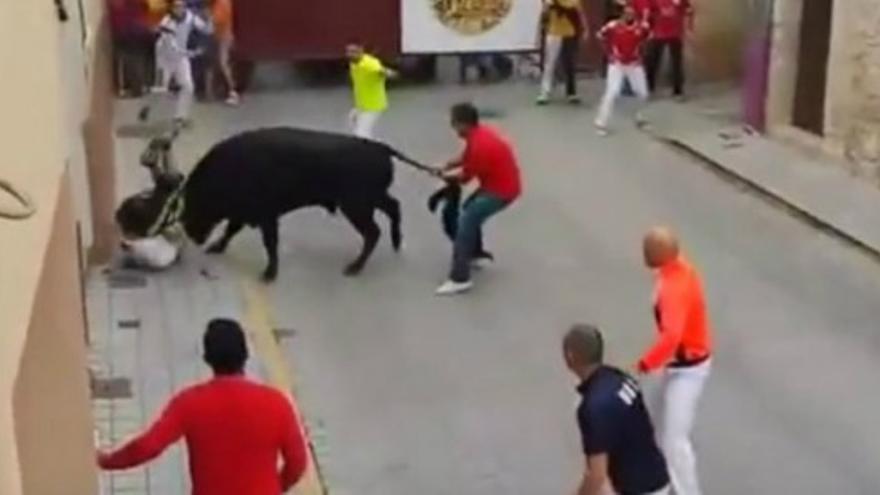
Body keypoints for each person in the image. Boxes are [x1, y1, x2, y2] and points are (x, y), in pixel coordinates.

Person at [97, 319, 310, 495]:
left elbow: (149, 446)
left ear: (207, 358)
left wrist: (107, 461)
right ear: (245, 355)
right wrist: (275, 488)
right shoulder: (276, 403)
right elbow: (298, 462)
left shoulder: (190, 403)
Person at [636, 227, 712, 495]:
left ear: (660, 254)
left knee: (674, 439)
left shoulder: (673, 288)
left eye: (647, 248)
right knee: (657, 429)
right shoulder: (679, 270)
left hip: (688, 369)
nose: (642, 252)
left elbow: (671, 337)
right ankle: (661, 486)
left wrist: (644, 364)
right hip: (679, 364)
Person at [563, 324, 670, 495]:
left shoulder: (593, 408)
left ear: (570, 356)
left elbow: (597, 476)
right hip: (656, 475)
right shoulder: (617, 377)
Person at [435, 103, 522, 296]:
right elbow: (465, 157)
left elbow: (465, 177)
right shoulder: (479, 135)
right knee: (469, 210)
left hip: (501, 191)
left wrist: (446, 176)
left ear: (464, 124)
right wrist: (448, 165)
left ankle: (459, 278)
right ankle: (473, 252)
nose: (452, 127)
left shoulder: (481, 146)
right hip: (499, 185)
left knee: (465, 222)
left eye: (454, 123)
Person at [141, 0, 213, 128]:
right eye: (176, 7)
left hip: (180, 59)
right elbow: (172, 48)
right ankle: (148, 106)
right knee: (161, 89)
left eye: (181, 6)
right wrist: (192, 53)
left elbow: (206, 29)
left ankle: (180, 117)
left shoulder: (190, 17)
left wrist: (209, 20)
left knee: (188, 86)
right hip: (164, 60)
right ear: (171, 9)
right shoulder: (166, 23)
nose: (179, 9)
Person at [594, 4, 650, 136]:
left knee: (642, 93)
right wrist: (609, 53)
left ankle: (639, 117)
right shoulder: (612, 26)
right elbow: (599, 36)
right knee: (612, 92)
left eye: (632, 14)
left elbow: (647, 40)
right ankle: (601, 123)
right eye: (627, 13)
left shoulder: (642, 27)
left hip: (634, 64)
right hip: (617, 64)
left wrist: (640, 54)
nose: (629, 16)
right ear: (622, 14)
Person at [536, 0, 588, 105]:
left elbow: (580, 13)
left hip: (570, 33)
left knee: (570, 63)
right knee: (549, 63)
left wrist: (585, 29)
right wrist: (538, 34)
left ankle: (571, 93)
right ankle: (545, 92)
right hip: (554, 32)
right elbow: (543, 16)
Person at [644, 0, 694, 100]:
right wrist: (648, 29)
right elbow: (648, 13)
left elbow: (689, 11)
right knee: (653, 61)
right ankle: (649, 88)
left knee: (676, 63)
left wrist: (689, 28)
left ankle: (678, 91)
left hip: (675, 34)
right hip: (658, 34)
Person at [346, 44, 397, 140]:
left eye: (354, 52)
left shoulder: (369, 64)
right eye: (348, 52)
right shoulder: (353, 63)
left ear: (361, 51)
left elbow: (380, 70)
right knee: (352, 120)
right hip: (361, 104)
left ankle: (372, 148)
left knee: (361, 134)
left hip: (373, 106)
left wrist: (388, 73)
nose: (350, 54)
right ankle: (373, 144)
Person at [108, 0, 153, 97]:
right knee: (134, 61)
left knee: (130, 61)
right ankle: (135, 88)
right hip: (133, 30)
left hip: (127, 31)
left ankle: (133, 89)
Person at [210, 0, 238, 104]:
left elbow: (218, 20)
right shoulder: (224, 2)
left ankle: (232, 91)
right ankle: (223, 89)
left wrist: (210, 19)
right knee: (221, 63)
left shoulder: (221, 3)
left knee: (223, 63)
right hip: (224, 35)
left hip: (223, 36)